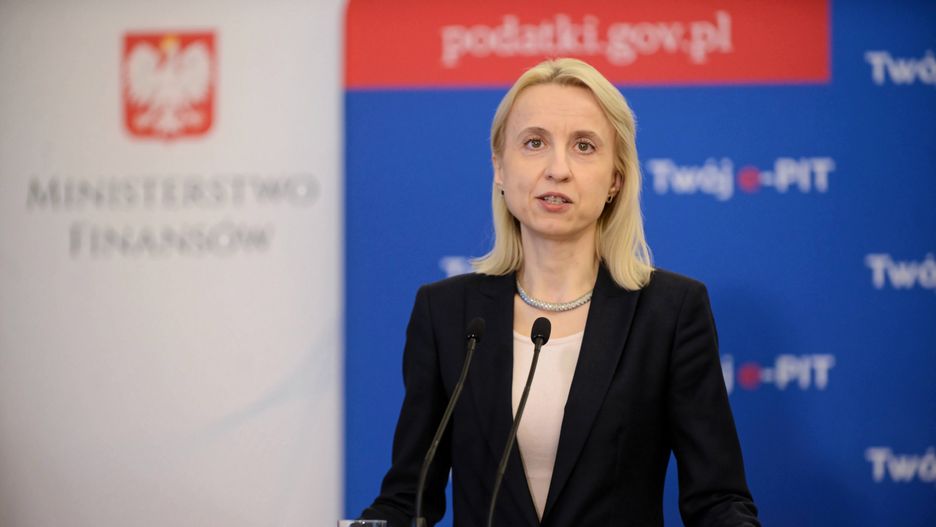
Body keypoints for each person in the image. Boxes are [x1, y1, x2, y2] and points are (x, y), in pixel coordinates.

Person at [359, 58, 759, 527]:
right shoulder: (447, 314)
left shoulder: (669, 312)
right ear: (499, 166)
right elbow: (407, 500)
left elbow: (717, 501)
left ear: (615, 178)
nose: (558, 169)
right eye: (534, 143)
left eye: (584, 146)